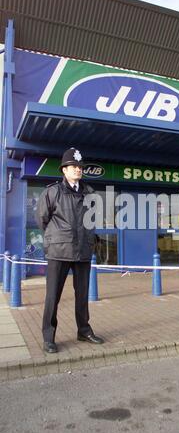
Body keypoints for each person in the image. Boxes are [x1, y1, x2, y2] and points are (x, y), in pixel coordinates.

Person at [36, 147, 104, 353]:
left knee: (82, 295)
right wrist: (56, 238)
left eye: (80, 167)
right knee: (53, 296)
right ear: (64, 170)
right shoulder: (52, 192)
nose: (78, 170)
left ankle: (84, 331)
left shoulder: (89, 193)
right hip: (59, 251)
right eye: (73, 166)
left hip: (83, 250)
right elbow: (42, 220)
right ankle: (49, 337)